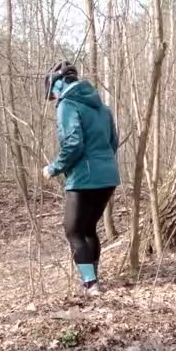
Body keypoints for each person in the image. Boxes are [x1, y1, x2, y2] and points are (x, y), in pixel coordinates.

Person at [43, 61, 120, 295]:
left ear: (58, 85)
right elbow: (113, 143)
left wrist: (54, 168)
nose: (54, 99)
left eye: (52, 94)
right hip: (108, 176)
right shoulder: (103, 108)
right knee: (88, 229)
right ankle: (93, 280)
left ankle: (90, 284)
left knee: (73, 230)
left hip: (84, 178)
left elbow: (73, 143)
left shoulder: (68, 105)